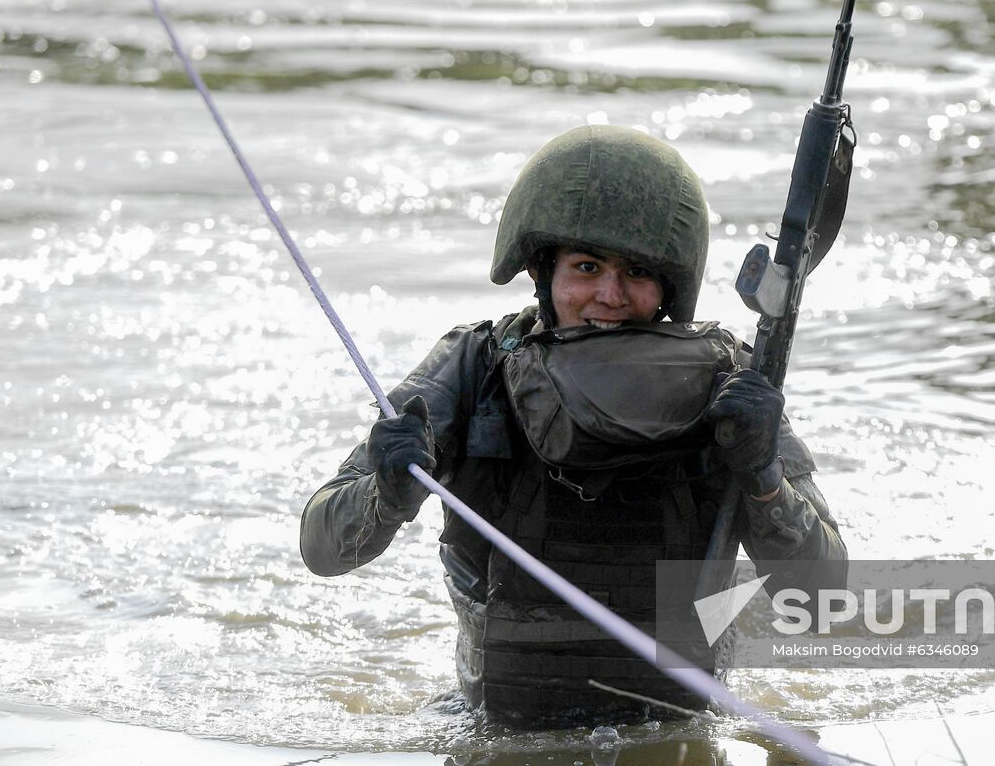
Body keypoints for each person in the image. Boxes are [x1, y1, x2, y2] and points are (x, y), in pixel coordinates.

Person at [300, 125, 847, 727]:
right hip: (499, 726)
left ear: (667, 286)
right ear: (544, 272)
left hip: (676, 724)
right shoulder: (473, 368)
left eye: (636, 272)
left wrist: (762, 474)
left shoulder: (730, 384)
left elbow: (823, 600)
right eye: (587, 267)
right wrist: (387, 493)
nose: (609, 295)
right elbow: (321, 548)